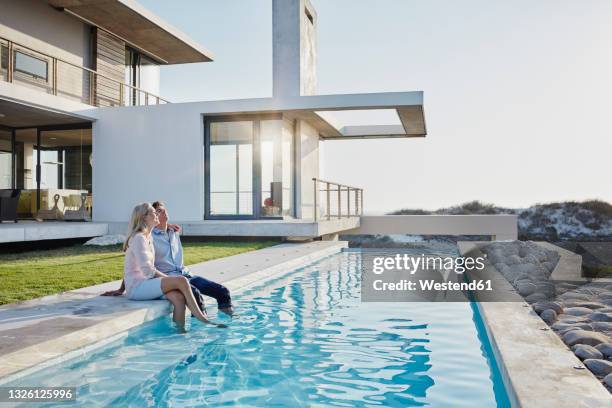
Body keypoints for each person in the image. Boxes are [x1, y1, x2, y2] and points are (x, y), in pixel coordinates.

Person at [109, 202, 226, 329]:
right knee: (181, 281)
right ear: (144, 217)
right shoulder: (139, 238)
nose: (156, 214)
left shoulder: (148, 236)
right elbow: (148, 271)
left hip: (147, 283)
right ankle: (204, 320)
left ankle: (179, 334)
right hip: (137, 287)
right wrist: (171, 280)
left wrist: (166, 225)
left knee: (178, 298)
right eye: (154, 212)